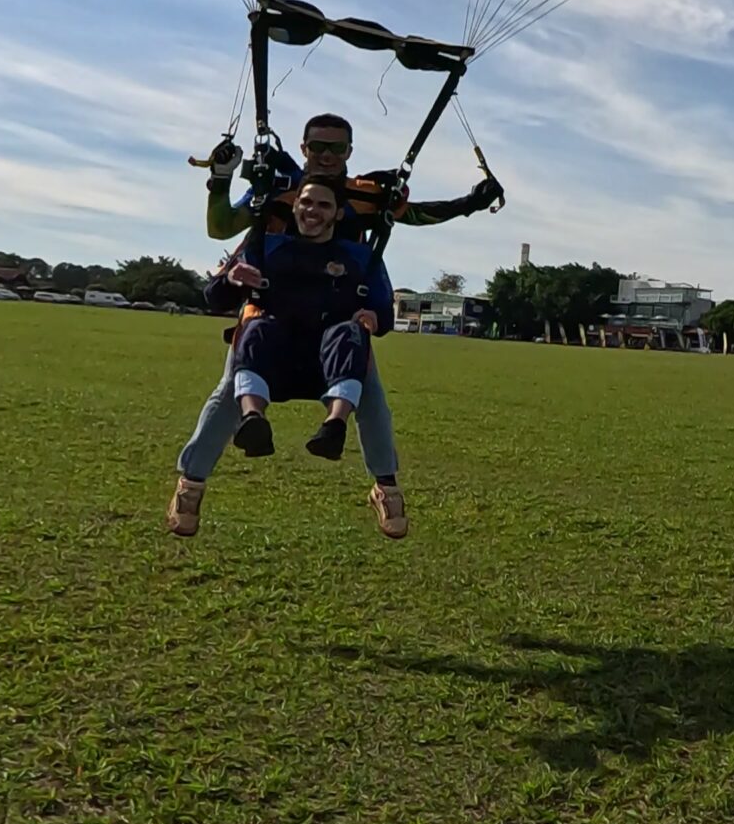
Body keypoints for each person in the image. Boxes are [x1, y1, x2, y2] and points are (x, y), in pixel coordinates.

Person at [166, 173, 400, 539]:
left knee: (359, 359)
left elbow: (384, 312)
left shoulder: (359, 257)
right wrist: (232, 279)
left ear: (339, 214)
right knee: (249, 343)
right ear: (294, 206)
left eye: (323, 205)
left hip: (330, 361)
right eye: (306, 202)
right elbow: (214, 296)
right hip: (273, 355)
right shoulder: (265, 245)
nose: (312, 211)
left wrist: (375, 318)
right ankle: (239, 434)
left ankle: (340, 434)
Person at [203, 113, 500, 245]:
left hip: (338, 311)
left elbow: (417, 214)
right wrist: (222, 177)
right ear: (304, 149)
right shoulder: (278, 187)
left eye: (337, 148)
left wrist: (470, 202)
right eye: (318, 147)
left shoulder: (363, 195)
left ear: (349, 152)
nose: (326, 156)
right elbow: (221, 229)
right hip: (272, 308)